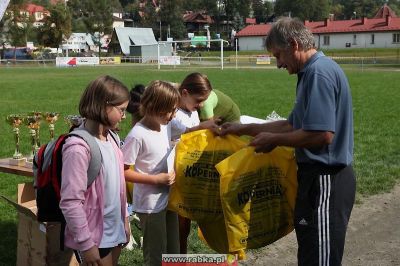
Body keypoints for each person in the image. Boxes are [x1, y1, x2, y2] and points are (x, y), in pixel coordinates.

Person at [220, 17, 356, 266]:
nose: (278, 64)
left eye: (278, 55)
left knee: (320, 259)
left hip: (326, 179)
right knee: (310, 254)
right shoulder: (309, 73)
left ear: (293, 44)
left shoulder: (319, 73)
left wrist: (275, 140)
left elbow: (322, 135)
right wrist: (244, 128)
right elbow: (292, 125)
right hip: (313, 179)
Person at [60, 75, 131, 266]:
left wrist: (125, 219)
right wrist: (86, 244)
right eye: (121, 110)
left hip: (114, 230)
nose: (124, 116)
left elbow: (118, 187)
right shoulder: (78, 148)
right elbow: (70, 201)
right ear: (103, 106)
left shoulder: (113, 138)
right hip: (94, 237)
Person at [122, 80, 180, 266]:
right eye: (171, 110)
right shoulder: (137, 135)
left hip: (169, 200)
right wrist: (155, 179)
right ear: (155, 107)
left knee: (174, 251)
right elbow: (123, 172)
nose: (173, 115)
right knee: (156, 254)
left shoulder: (164, 125)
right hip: (150, 206)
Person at [169, 72, 219, 254]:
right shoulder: (172, 114)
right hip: (175, 177)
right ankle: (175, 258)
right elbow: (180, 136)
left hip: (189, 176)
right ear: (184, 93)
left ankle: (180, 257)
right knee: (178, 227)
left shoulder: (193, 111)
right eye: (198, 100)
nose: (201, 105)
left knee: (185, 226)